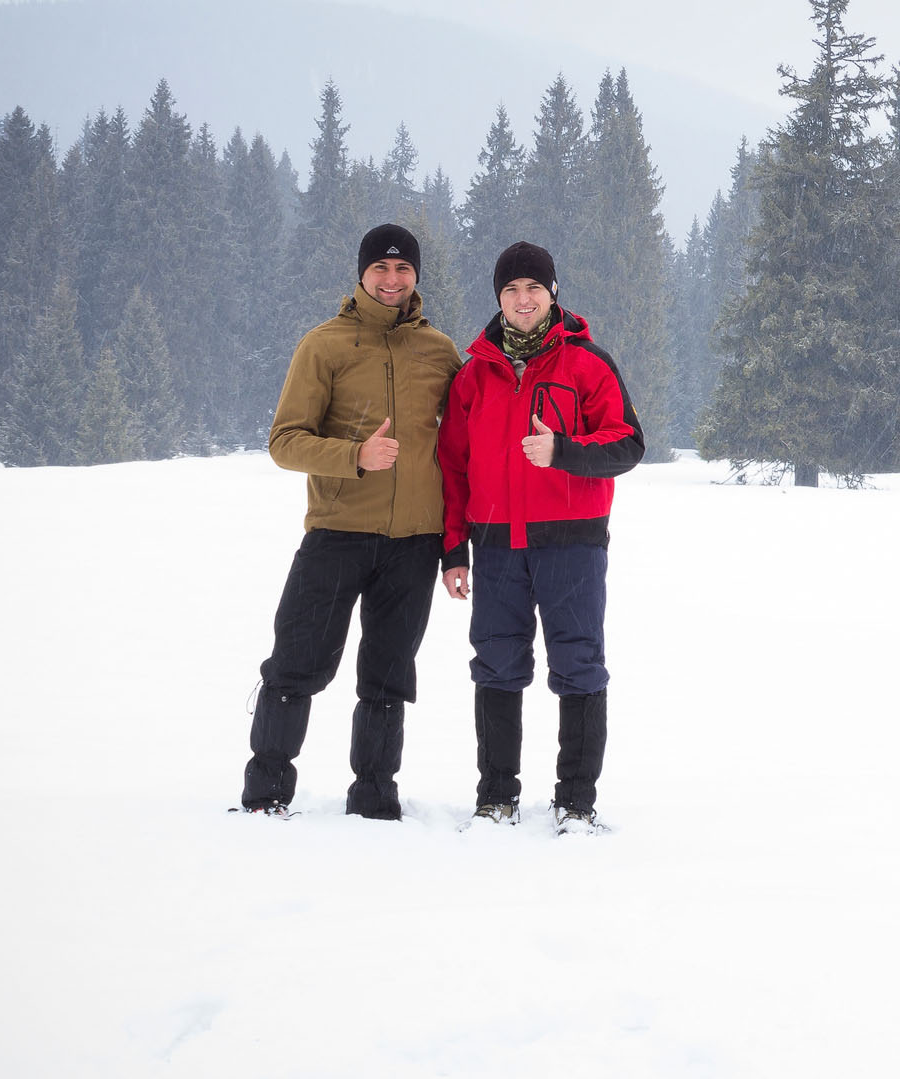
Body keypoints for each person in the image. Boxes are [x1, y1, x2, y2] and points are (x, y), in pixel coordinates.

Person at [241, 224, 461, 820]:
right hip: (337, 533)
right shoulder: (325, 345)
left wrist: (454, 545)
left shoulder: (440, 352)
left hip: (414, 542)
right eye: (381, 270)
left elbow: (461, 447)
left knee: (389, 675)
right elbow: (284, 442)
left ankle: (374, 795)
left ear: (417, 276)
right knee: (296, 662)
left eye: (404, 270)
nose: (392, 281)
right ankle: (266, 793)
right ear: (362, 274)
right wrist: (354, 457)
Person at [437, 242, 645, 834]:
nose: (522, 300)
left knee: (578, 664)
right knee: (497, 665)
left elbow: (628, 444)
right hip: (496, 544)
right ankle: (496, 797)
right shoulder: (476, 374)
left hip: (573, 543)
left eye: (534, 288)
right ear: (498, 298)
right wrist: (455, 548)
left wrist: (563, 453)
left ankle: (576, 803)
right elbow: (451, 465)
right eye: (511, 290)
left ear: (553, 293)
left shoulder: (587, 364)